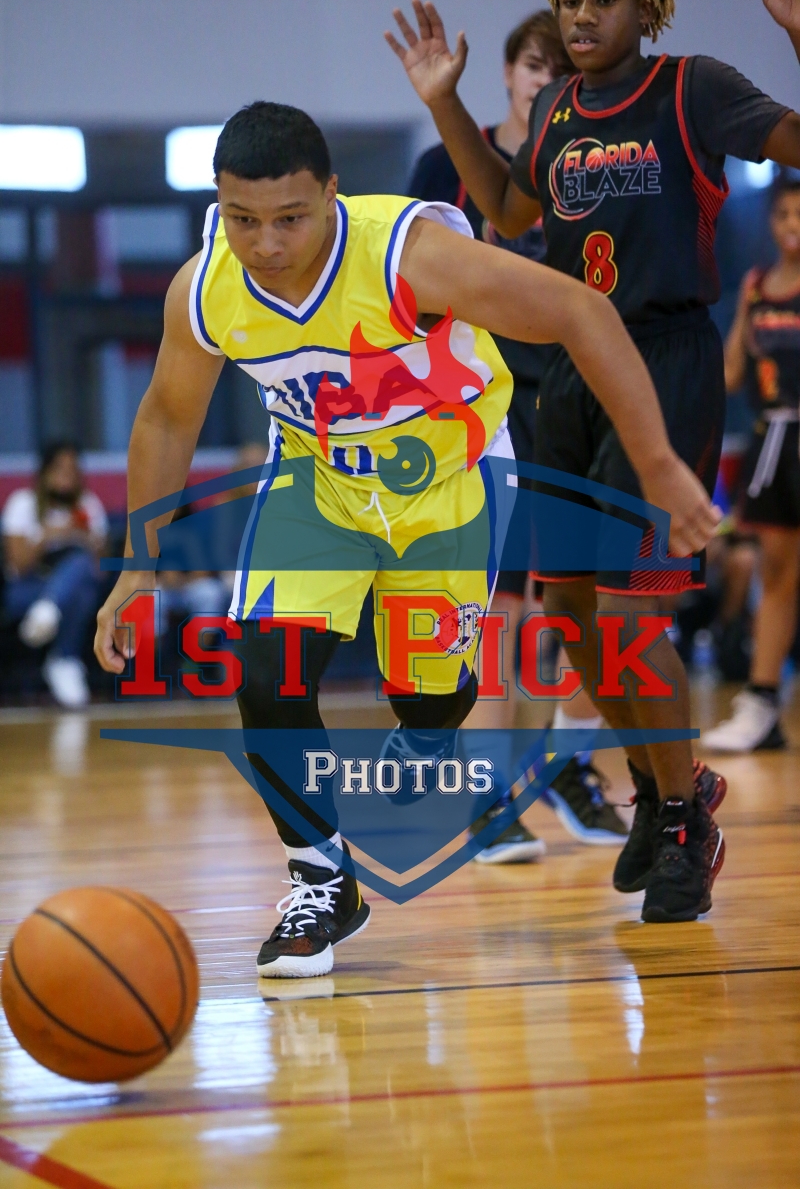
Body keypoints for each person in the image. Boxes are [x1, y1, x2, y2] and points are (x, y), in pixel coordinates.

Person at [94, 101, 718, 978]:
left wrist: (658, 463)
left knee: (428, 697)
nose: (265, 243)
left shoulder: (407, 255)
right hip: (318, 484)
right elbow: (166, 416)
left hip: (449, 487)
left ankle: (427, 734)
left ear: (333, 195)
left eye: (290, 218)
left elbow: (582, 311)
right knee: (266, 671)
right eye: (242, 219)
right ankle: (322, 881)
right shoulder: (205, 289)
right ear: (218, 204)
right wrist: (137, 564)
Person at [383, 0, 799, 923]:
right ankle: (661, 786)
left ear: (644, 7)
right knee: (567, 611)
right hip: (573, 370)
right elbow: (504, 205)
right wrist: (445, 103)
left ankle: (686, 822)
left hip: (664, 361)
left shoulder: (692, 88)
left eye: (601, 0)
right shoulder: (559, 108)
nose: (579, 16)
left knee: (626, 613)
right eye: (568, 0)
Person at [409, 10, 624, 861]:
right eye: (535, 66)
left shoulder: (592, 162)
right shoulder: (445, 168)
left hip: (573, 394)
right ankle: (487, 797)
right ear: (506, 73)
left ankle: (558, 766)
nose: (546, 81)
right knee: (495, 609)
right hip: (474, 403)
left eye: (559, 69)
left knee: (572, 603)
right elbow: (406, 289)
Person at [703, 175, 800, 752]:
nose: (793, 226)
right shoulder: (757, 287)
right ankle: (763, 703)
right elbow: (732, 374)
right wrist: (742, 310)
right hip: (773, 442)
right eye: (785, 215)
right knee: (777, 572)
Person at [2, 441, 108, 708]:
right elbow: (17, 566)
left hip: (72, 592)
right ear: (45, 472)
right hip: (27, 590)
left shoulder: (88, 505)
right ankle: (64, 657)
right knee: (79, 591)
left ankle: (59, 642)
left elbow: (100, 569)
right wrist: (47, 536)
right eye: (59, 469)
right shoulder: (22, 503)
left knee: (82, 573)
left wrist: (84, 538)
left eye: (72, 470)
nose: (66, 476)